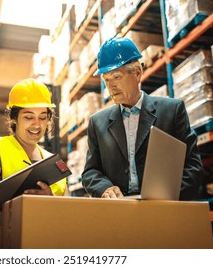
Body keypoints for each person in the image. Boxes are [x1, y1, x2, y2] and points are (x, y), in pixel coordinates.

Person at [81, 36, 204, 200]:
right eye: (106, 80)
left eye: (116, 77)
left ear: (137, 73)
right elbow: (90, 172)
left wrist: (167, 195)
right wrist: (105, 188)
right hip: (119, 211)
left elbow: (193, 167)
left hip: (163, 209)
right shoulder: (97, 123)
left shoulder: (172, 111)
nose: (110, 87)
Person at [0, 78, 67, 249]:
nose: (37, 124)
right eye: (29, 117)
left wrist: (49, 199)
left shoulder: (53, 162)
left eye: (43, 117)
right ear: (14, 118)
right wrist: (23, 191)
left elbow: (66, 212)